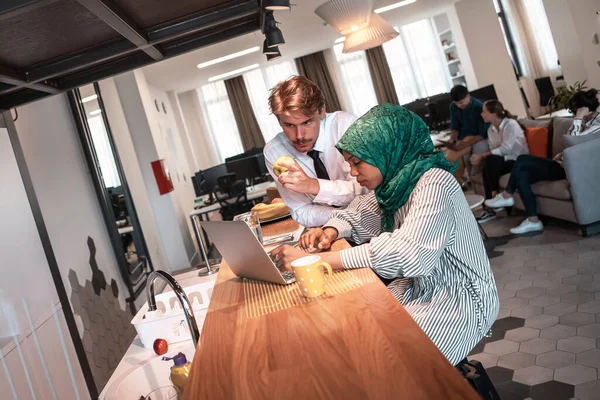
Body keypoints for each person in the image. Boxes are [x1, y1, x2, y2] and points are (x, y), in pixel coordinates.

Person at [271, 104, 499, 366]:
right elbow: (359, 213)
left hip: (460, 299)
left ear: (384, 151)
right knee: (355, 331)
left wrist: (319, 261)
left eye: (357, 163)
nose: (354, 175)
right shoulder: (396, 184)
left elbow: (409, 254)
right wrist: (331, 230)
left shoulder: (434, 182)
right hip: (419, 287)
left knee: (389, 361)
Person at [485, 89, 600, 234]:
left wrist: (578, 119)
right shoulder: (583, 121)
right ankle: (533, 220)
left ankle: (507, 195)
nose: (573, 115)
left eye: (575, 112)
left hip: (567, 168)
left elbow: (571, 143)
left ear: (585, 110)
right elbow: (569, 140)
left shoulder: (597, 125)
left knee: (521, 160)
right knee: (521, 173)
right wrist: (579, 119)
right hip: (559, 163)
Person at [263, 76, 368, 227]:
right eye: (289, 125)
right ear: (279, 121)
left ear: (321, 111)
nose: (299, 135)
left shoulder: (346, 127)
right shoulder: (274, 151)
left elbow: (365, 189)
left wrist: (313, 186)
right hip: (327, 230)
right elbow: (301, 211)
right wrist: (343, 220)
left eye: (307, 122)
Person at [471, 100, 529, 223]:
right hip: (502, 161)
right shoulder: (490, 130)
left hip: (517, 160)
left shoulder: (510, 125)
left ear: (493, 114)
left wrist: (482, 155)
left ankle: (492, 202)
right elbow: (494, 150)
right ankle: (494, 200)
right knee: (489, 163)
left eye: (484, 112)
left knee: (490, 160)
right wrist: (484, 156)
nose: (481, 114)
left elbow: (506, 148)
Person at [445, 85, 489, 185]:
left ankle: (457, 183)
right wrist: (451, 140)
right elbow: (455, 127)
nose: (459, 106)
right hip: (462, 139)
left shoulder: (478, 107)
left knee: (449, 158)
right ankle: (459, 183)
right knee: (453, 161)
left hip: (474, 137)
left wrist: (464, 144)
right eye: (456, 103)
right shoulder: (453, 107)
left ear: (468, 96)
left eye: (461, 102)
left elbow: (482, 134)